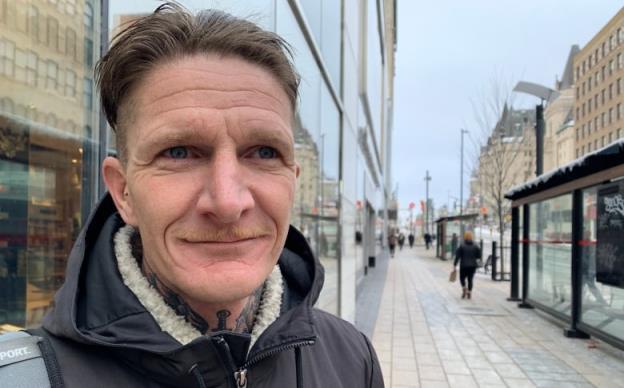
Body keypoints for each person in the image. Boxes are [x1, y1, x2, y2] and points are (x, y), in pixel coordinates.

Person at [12, 4, 383, 387]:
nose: (227, 203)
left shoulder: (352, 359)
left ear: (293, 178)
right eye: (179, 152)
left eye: (264, 152)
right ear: (123, 191)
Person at [453, 231, 481, 299]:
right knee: (470, 279)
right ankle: (469, 292)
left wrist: (455, 265)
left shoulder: (461, 245)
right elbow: (479, 256)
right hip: (472, 266)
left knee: (462, 278)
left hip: (464, 265)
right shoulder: (476, 246)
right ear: (471, 237)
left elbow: (457, 256)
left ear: (464, 237)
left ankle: (464, 288)